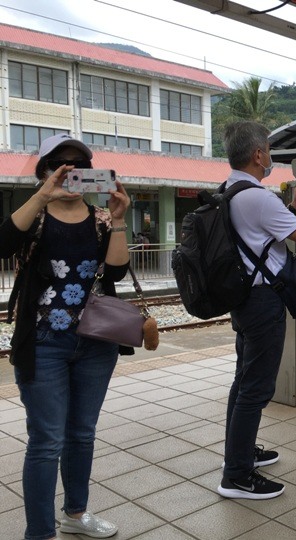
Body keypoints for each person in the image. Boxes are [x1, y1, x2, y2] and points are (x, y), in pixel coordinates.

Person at [0, 134, 131, 539]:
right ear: (45, 172)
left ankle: (75, 514)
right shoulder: (34, 216)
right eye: (62, 165)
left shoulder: (101, 219)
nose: (72, 172)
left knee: (81, 434)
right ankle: (39, 533)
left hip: (95, 342)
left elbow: (114, 275)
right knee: (46, 440)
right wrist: (43, 196)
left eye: (81, 165)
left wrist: (120, 218)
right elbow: (2, 244)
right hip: (43, 345)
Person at [219, 121, 296, 500]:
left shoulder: (230, 190)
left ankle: (240, 454)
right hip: (263, 303)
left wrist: (295, 204)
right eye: (267, 148)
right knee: (256, 389)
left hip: (243, 299)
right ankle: (237, 475)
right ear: (258, 154)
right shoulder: (256, 196)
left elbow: (263, 230)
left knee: (243, 380)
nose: (269, 155)